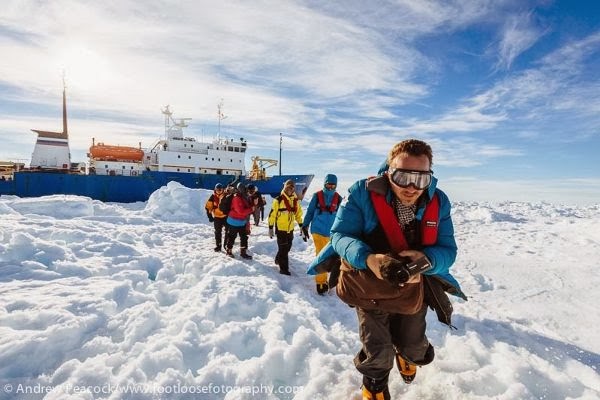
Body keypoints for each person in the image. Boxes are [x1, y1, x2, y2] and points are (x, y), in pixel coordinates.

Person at [308, 139, 466, 399]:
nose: (412, 187)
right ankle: (374, 386)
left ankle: (407, 356)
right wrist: (369, 259)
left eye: (421, 178)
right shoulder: (362, 192)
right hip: (369, 284)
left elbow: (448, 251)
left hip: (413, 289)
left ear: (430, 176)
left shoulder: (439, 201)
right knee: (378, 351)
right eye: (402, 176)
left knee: (414, 346)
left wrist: (424, 261)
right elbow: (340, 235)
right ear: (389, 171)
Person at [302, 173, 342, 295]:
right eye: (328, 184)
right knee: (321, 255)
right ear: (324, 184)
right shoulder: (317, 196)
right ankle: (320, 283)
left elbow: (342, 216)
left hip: (331, 232)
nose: (330, 187)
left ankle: (331, 279)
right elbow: (309, 211)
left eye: (333, 185)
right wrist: (305, 225)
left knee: (332, 257)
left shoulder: (339, 198)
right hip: (318, 230)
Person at [268, 179, 304, 275]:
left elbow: (298, 215)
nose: (290, 189)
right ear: (285, 188)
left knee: (287, 247)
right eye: (288, 187)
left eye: (291, 188)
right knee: (283, 249)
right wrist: (270, 227)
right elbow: (272, 215)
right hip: (281, 229)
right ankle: (284, 269)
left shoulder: (295, 201)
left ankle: (278, 258)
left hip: (290, 229)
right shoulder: (278, 200)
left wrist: (301, 225)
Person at [225, 182, 255, 259]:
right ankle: (229, 250)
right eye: (244, 190)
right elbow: (241, 211)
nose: (246, 191)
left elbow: (247, 208)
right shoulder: (236, 198)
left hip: (242, 221)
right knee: (232, 237)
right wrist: (251, 209)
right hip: (234, 221)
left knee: (244, 237)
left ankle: (243, 252)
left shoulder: (244, 197)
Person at [204, 183, 227, 252]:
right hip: (217, 217)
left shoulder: (226, 196)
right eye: (217, 190)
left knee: (228, 231)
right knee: (217, 232)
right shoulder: (213, 197)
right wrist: (210, 216)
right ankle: (218, 245)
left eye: (220, 190)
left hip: (225, 216)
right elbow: (208, 207)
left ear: (223, 189)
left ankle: (226, 245)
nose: (219, 191)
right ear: (215, 190)